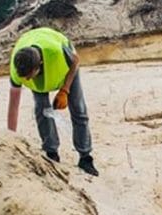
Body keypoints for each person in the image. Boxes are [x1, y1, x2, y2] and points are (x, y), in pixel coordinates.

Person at [7, 27, 98, 176]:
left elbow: (76, 61)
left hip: (67, 67)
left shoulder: (56, 52)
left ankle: (85, 157)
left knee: (78, 109)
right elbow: (13, 105)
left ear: (40, 64)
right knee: (42, 110)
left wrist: (65, 90)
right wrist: (10, 136)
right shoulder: (17, 70)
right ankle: (51, 153)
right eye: (25, 77)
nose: (28, 80)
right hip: (33, 44)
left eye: (31, 75)